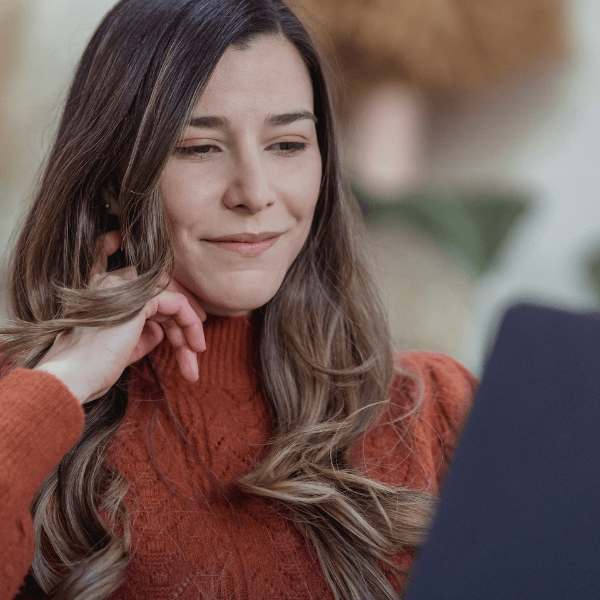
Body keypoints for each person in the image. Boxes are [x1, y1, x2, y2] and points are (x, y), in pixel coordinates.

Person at [0, 1, 476, 599]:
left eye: (287, 144)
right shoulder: (22, 405)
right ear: (111, 181)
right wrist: (66, 380)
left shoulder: (441, 409)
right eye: (198, 148)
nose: (255, 193)